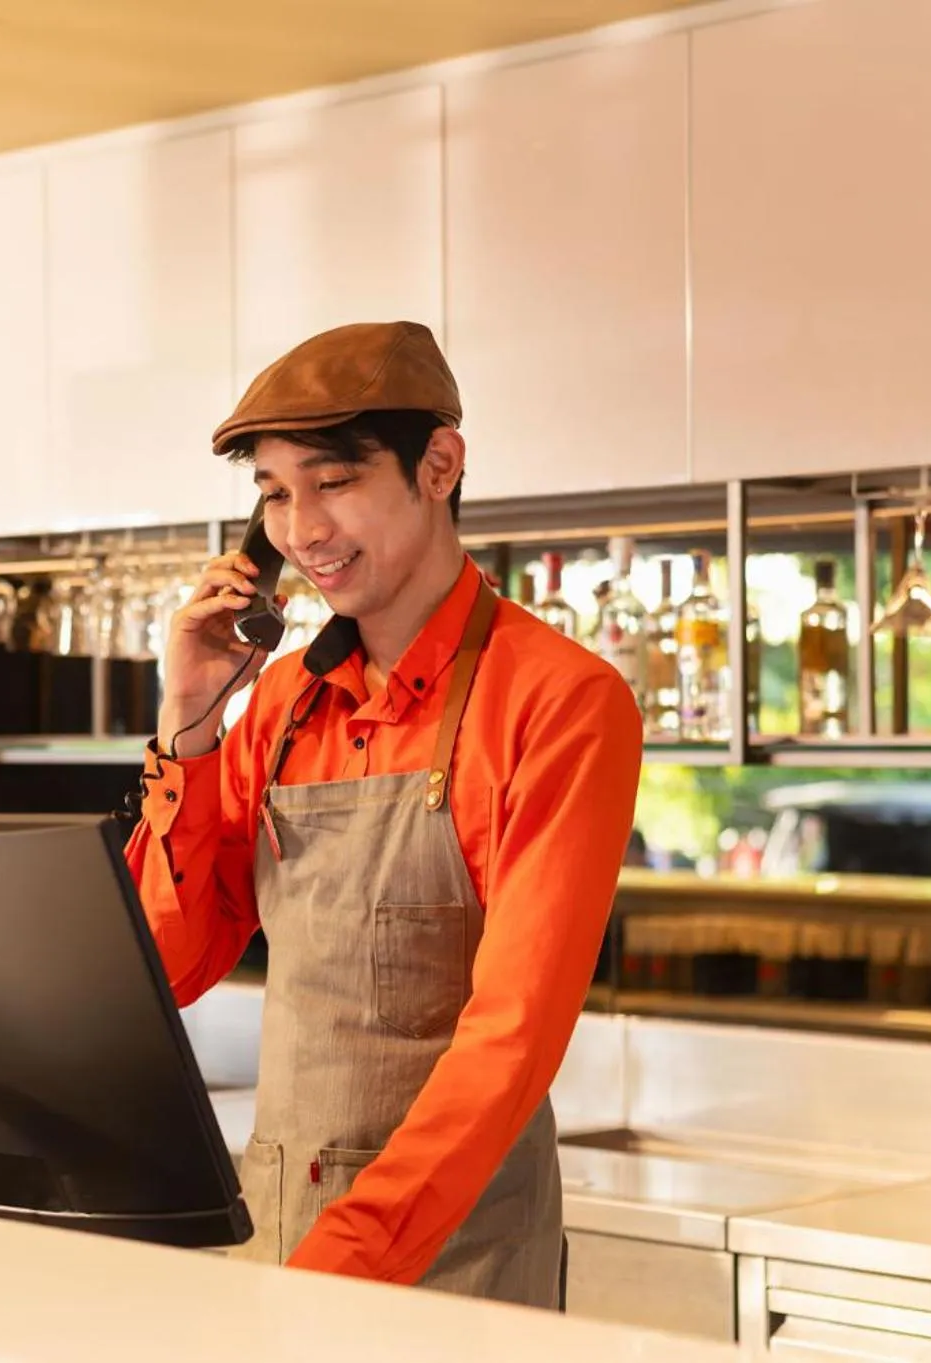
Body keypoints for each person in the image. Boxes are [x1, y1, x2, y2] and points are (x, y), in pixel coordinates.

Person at [122, 320, 643, 1308]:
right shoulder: (276, 705)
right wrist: (187, 726)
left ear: (437, 464)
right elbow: (171, 967)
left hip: (453, 1266)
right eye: (273, 494)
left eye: (333, 481)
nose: (300, 530)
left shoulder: (559, 701)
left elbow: (511, 1040)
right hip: (282, 1240)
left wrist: (339, 1271)